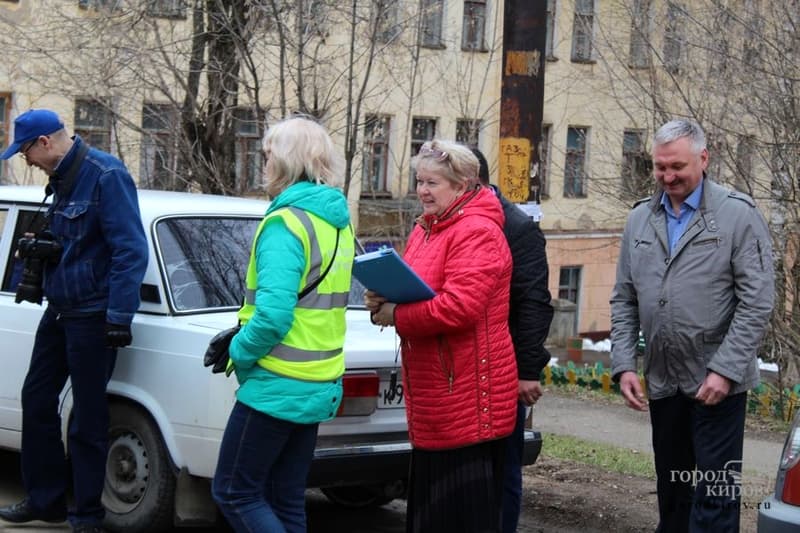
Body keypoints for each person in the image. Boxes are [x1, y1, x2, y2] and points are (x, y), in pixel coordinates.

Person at [610, 118, 775, 532]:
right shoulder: (640, 220)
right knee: (674, 495)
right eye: (660, 167)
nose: (667, 177)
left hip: (717, 384)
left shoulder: (738, 216)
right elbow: (625, 298)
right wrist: (624, 362)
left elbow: (757, 301)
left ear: (703, 159)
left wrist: (725, 370)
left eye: (677, 167)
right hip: (664, 380)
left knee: (715, 500)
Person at [0, 109, 148, 533]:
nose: (24, 160)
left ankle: (86, 514)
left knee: (87, 416)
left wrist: (119, 315)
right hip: (61, 309)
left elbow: (130, 251)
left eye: (25, 150)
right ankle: (45, 500)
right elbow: (79, 243)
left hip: (94, 315)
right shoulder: (62, 181)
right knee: (36, 398)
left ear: (44, 142)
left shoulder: (106, 175)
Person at [211, 116, 355, 533]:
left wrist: (239, 351)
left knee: (235, 492)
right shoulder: (337, 224)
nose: (264, 165)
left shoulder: (285, 224)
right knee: (285, 498)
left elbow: (273, 316)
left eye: (269, 155)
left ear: (288, 161)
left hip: (277, 383)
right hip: (319, 380)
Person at [366, 139, 518, 533]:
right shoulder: (427, 229)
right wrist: (381, 294)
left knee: (459, 514)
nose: (422, 191)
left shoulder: (478, 232)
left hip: (467, 390)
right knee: (432, 512)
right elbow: (418, 288)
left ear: (463, 185)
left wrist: (397, 314)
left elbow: (458, 307)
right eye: (419, 181)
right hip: (436, 391)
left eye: (432, 183)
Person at [471, 148, 554, 533]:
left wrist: (526, 371)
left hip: (503, 371)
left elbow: (534, 304)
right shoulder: (446, 221)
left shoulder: (517, 228)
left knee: (502, 470)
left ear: (472, 182)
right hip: (463, 367)